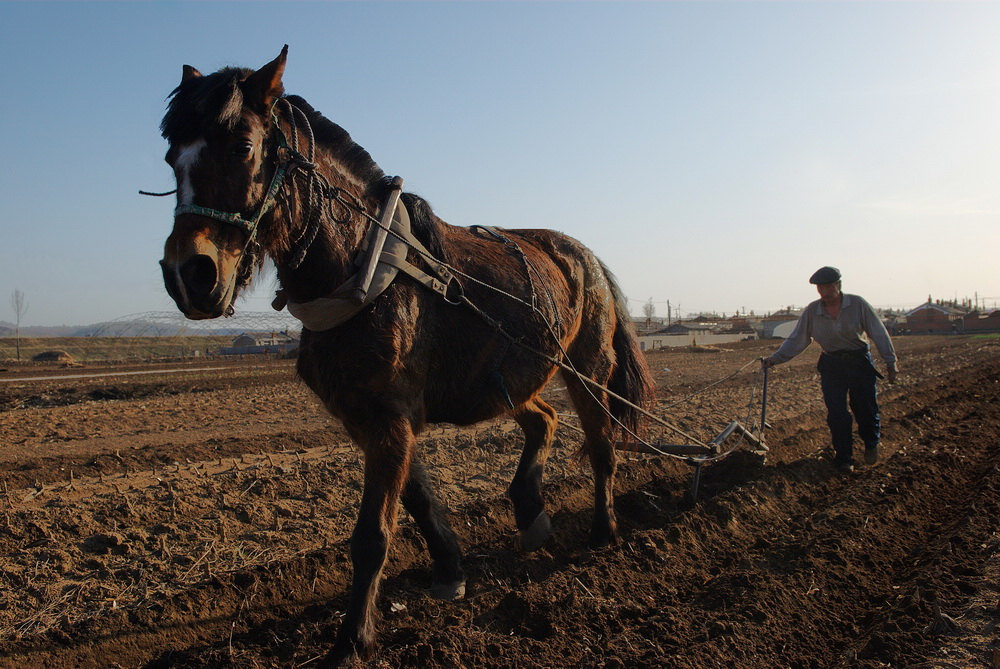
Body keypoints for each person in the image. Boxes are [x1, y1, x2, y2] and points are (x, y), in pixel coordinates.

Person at [763, 266, 898, 473]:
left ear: (838, 285)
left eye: (827, 286)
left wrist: (890, 362)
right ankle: (844, 458)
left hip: (859, 362)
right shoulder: (812, 311)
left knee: (865, 408)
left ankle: (871, 442)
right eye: (820, 288)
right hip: (832, 364)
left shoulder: (858, 304)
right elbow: (798, 339)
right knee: (836, 413)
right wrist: (775, 359)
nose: (823, 292)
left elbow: (878, 333)